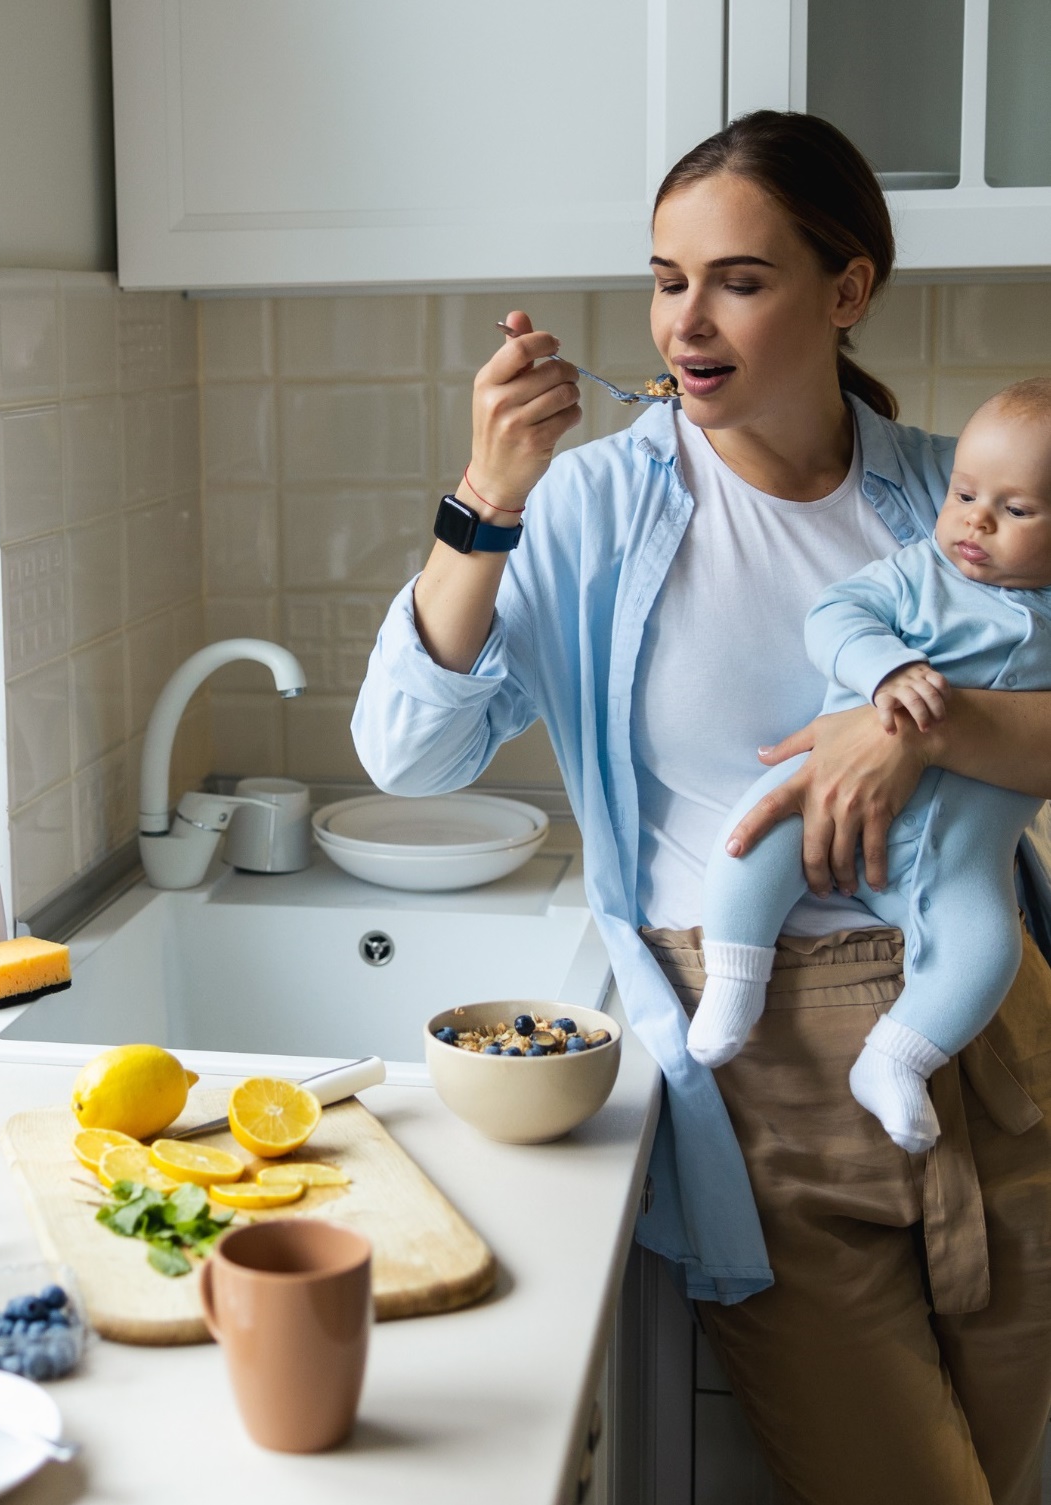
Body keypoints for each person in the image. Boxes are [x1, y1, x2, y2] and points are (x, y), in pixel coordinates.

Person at [353, 110, 1051, 1505]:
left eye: (737, 278)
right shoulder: (591, 507)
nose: (685, 320)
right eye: (666, 279)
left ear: (844, 289)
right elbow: (404, 755)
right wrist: (487, 495)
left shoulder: (950, 494)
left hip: (996, 1037)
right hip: (762, 1068)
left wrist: (904, 733)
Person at [691, 380, 1051, 1157]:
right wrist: (885, 671)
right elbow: (834, 617)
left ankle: (894, 1059)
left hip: (956, 865)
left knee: (987, 948)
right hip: (825, 800)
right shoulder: (918, 573)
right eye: (962, 492)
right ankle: (733, 979)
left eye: (1016, 510)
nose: (975, 520)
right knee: (752, 841)